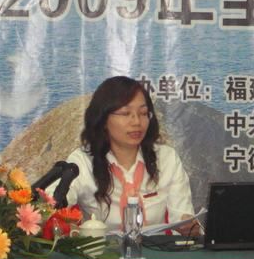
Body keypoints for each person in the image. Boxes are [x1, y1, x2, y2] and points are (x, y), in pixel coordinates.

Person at [57, 76, 197, 234]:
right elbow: (51, 204)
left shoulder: (166, 158)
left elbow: (182, 217)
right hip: (101, 249)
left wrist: (189, 227)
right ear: (103, 119)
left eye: (143, 113)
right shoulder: (82, 162)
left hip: (158, 248)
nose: (137, 121)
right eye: (125, 113)